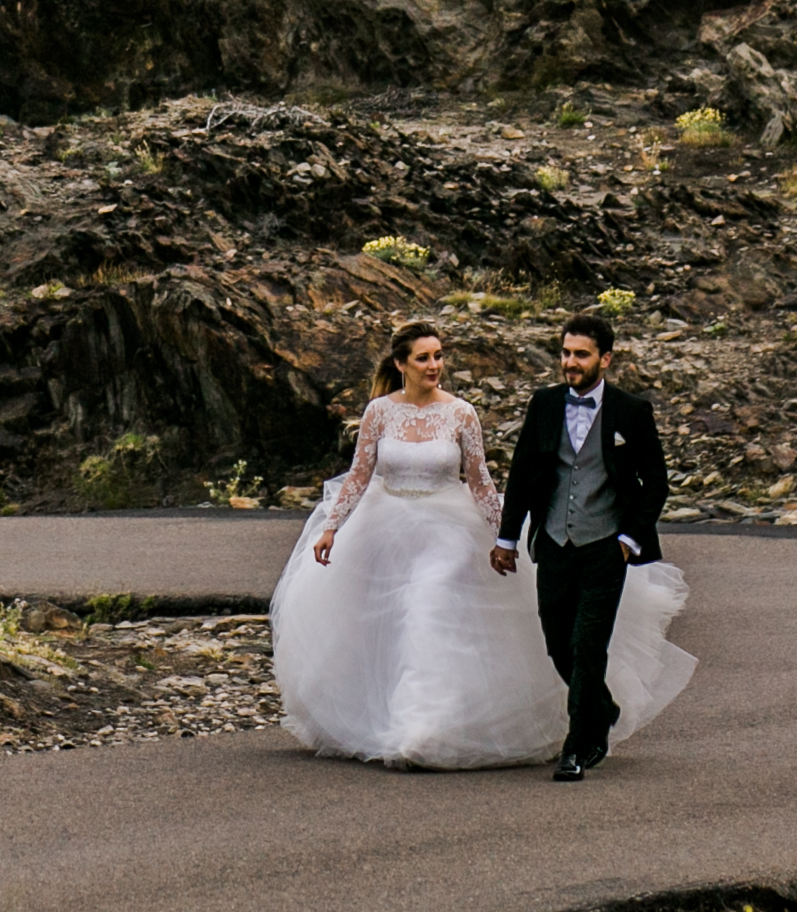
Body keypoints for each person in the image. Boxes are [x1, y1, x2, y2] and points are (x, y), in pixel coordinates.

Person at [268, 319, 694, 771]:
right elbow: (360, 474)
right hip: (384, 529)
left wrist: (502, 536)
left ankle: (425, 729)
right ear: (401, 364)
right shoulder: (380, 413)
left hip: (455, 531)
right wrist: (332, 526)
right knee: (401, 630)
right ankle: (595, 705)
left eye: (438, 356)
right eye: (424, 357)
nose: (434, 365)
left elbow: (481, 480)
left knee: (428, 607)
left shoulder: (461, 412)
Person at [492, 310, 690, 780]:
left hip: (605, 547)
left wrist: (627, 539)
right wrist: (506, 536)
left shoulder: (631, 411)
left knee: (587, 646)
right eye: (565, 353)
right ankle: (601, 708)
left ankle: (579, 745)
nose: (570, 362)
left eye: (581, 354)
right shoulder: (543, 405)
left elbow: (655, 483)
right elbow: (522, 473)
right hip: (554, 543)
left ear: (605, 359)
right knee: (557, 640)